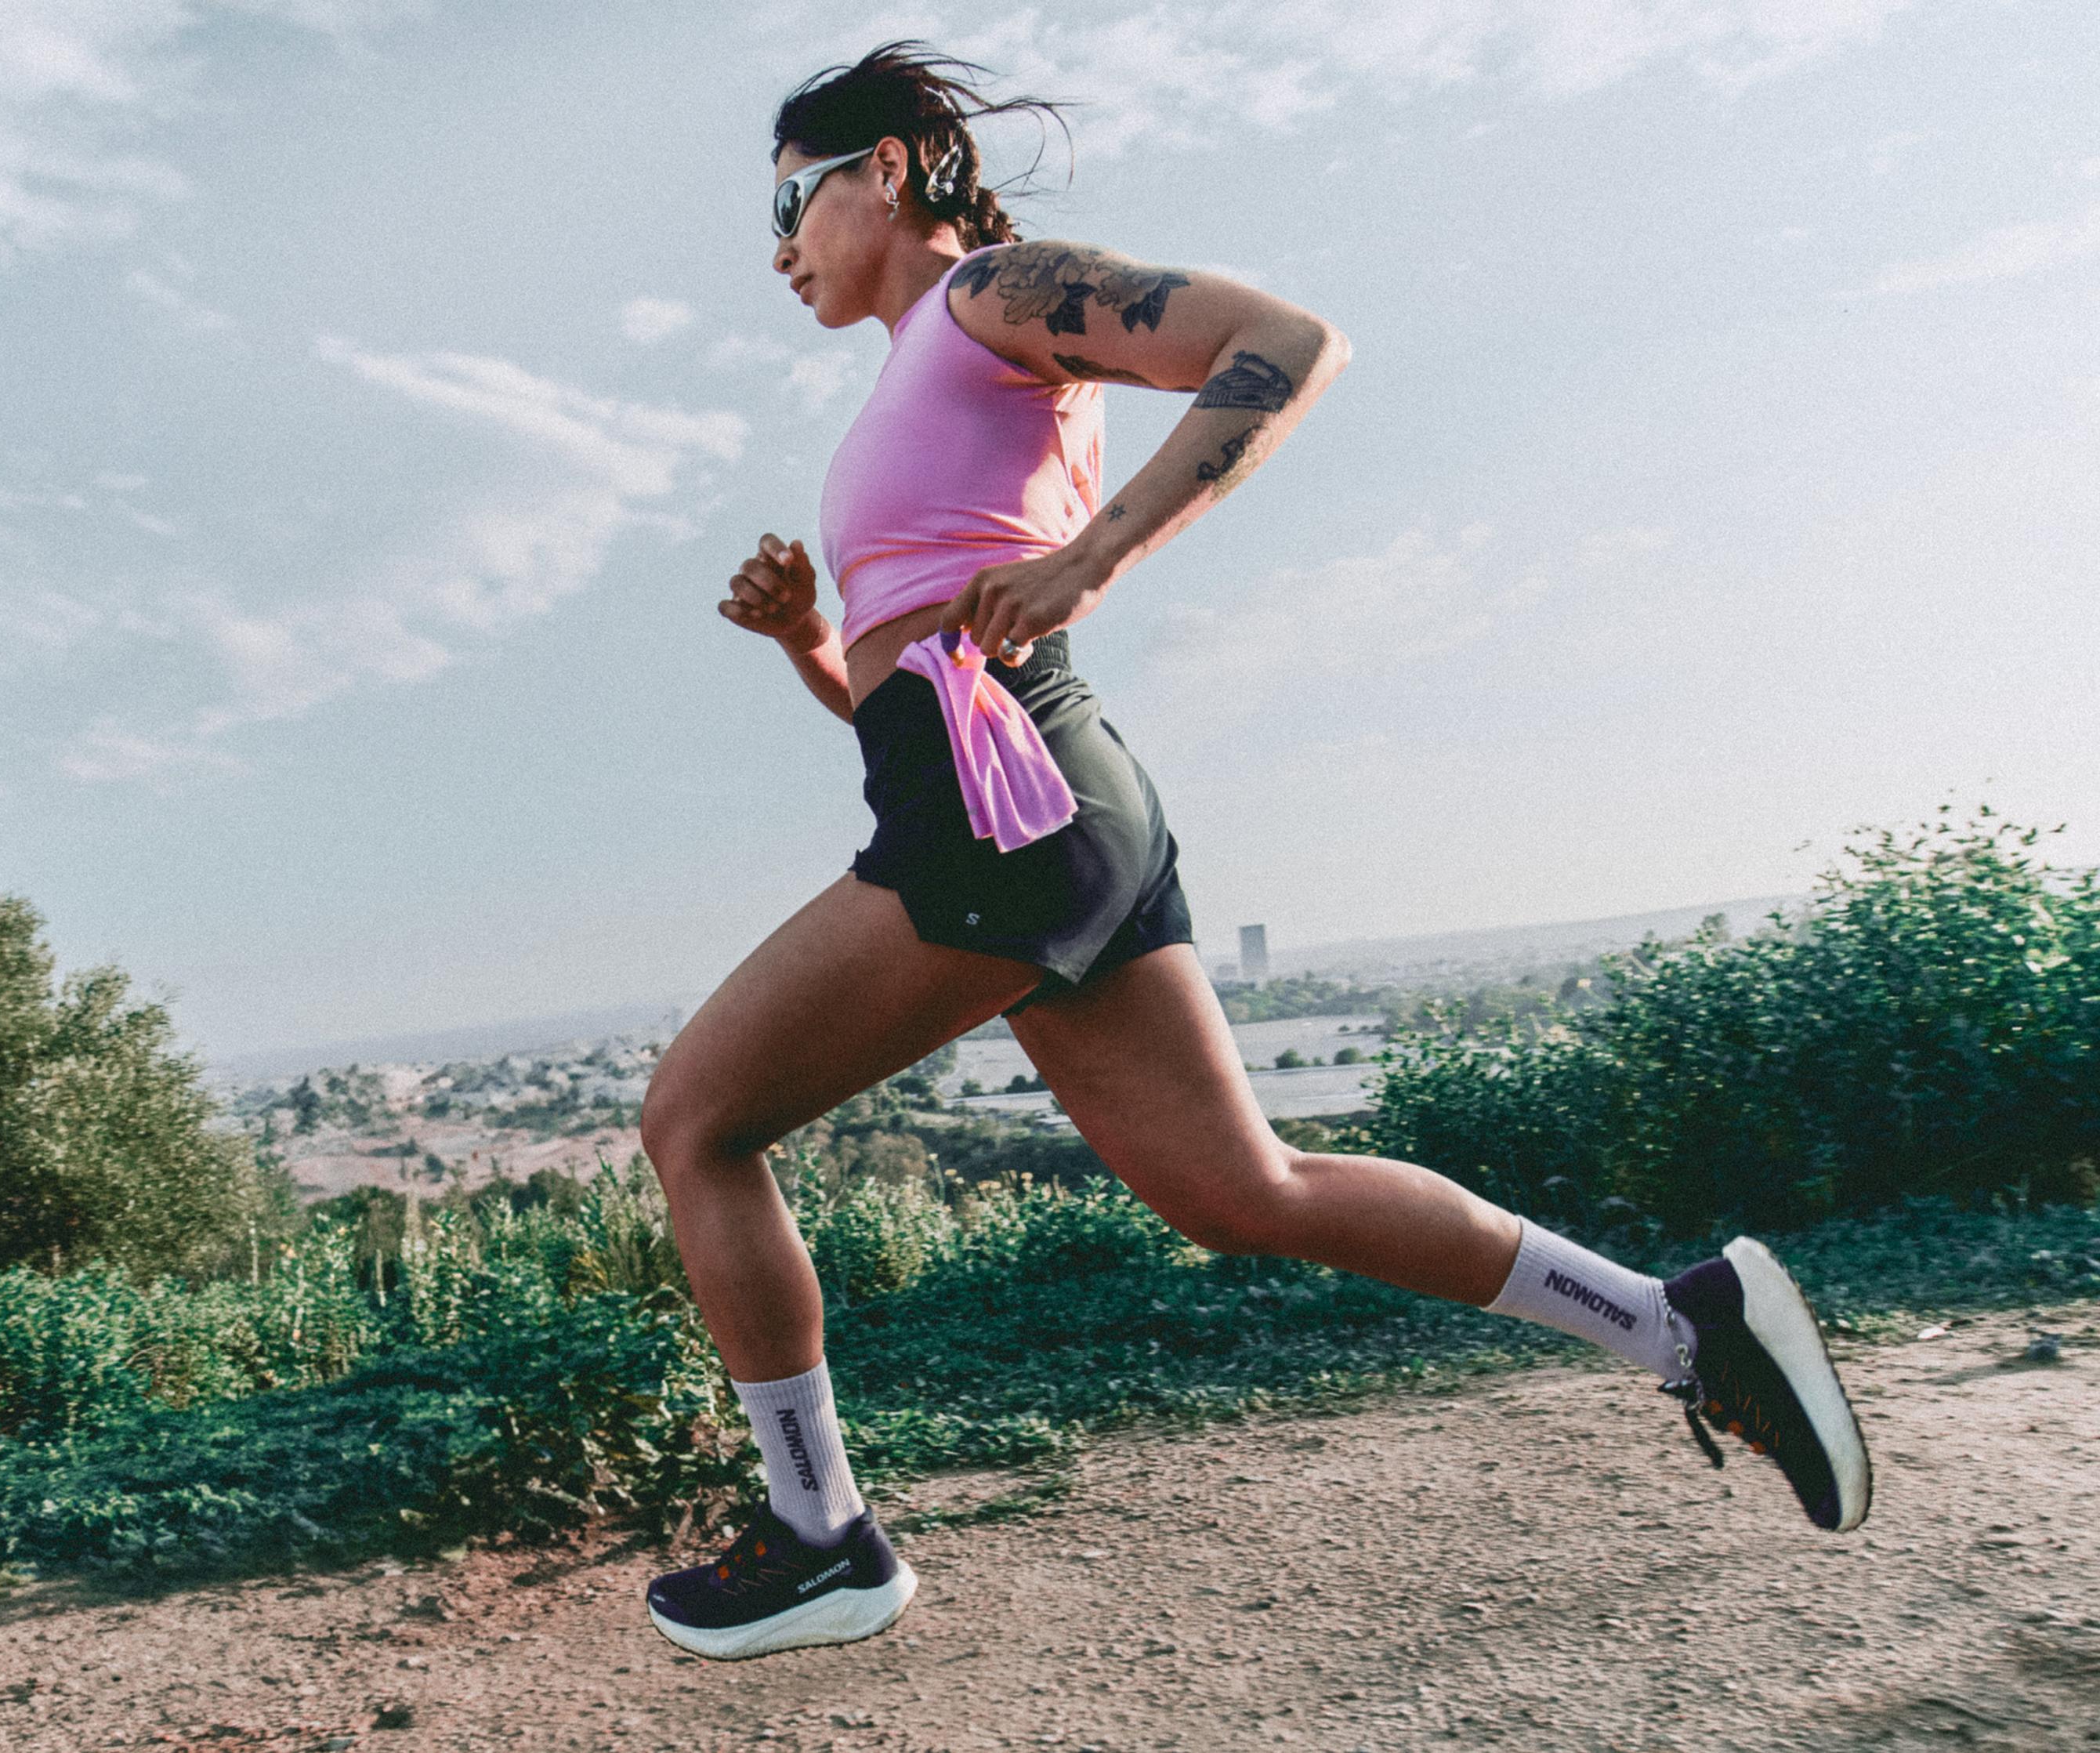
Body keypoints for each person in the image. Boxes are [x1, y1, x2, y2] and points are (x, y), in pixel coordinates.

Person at [637, 43, 1872, 1664]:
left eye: (790, 201)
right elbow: (924, 704)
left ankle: (820, 1534)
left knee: (697, 1122)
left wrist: (1096, 554)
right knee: (1245, 1190)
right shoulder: (931, 372)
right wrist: (816, 639)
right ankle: (1677, 1322)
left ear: (884, 167)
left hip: (1008, 815)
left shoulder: (990, 294)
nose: (779, 246)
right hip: (1027, 808)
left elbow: (1283, 344)